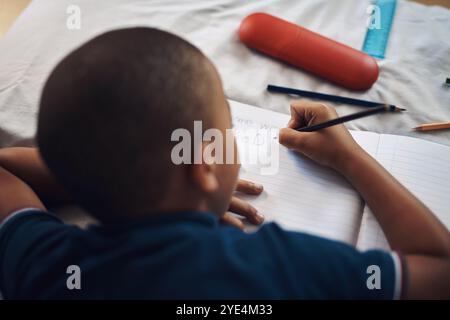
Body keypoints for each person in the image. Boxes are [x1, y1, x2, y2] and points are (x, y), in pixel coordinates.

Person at [0, 27, 448, 299]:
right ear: (204, 164)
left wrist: (124, 174)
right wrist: (350, 157)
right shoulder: (286, 268)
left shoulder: (46, 266)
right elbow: (439, 272)